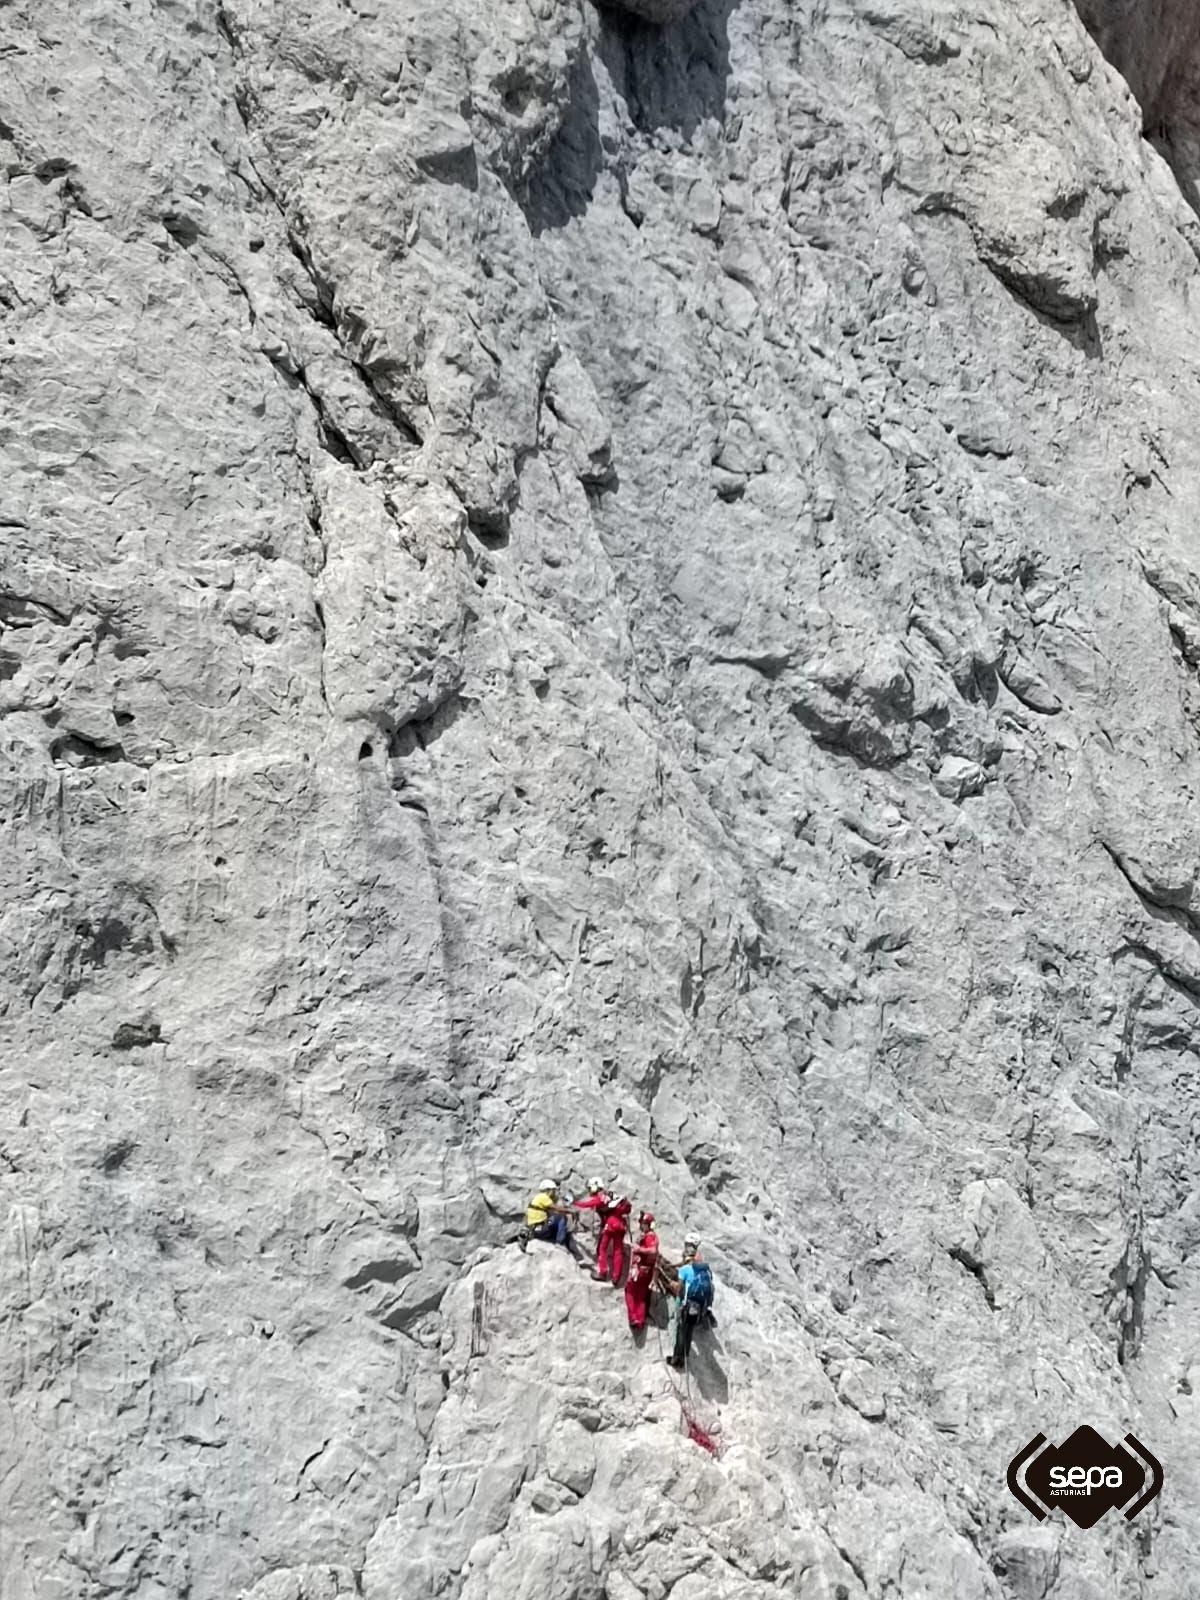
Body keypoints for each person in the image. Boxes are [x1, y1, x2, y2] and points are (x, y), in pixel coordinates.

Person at [666, 1236, 713, 1368]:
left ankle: (676, 1358)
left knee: (681, 1331)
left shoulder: (684, 1270)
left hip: (685, 1305)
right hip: (698, 1306)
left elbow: (679, 1288)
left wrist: (671, 1284)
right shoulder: (703, 1271)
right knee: (689, 1331)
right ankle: (685, 1358)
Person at [574, 1180, 632, 1284]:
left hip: (611, 1224)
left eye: (590, 1188)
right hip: (621, 1225)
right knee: (618, 1250)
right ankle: (616, 1277)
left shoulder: (600, 1197)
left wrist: (574, 1203)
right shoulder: (610, 1195)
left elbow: (586, 1204)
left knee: (602, 1248)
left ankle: (603, 1272)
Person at [624, 1211, 659, 1331]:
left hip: (641, 1269)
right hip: (646, 1270)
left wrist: (639, 1249)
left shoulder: (649, 1236)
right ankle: (640, 1321)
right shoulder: (647, 1236)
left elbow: (653, 1251)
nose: (641, 1225)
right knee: (641, 1296)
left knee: (630, 1290)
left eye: (643, 1223)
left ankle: (634, 1317)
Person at [523, 1179, 577, 1253]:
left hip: (536, 1229)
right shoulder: (543, 1197)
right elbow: (557, 1208)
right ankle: (560, 1243)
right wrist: (570, 1211)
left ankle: (563, 1243)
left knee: (556, 1222)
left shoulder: (539, 1198)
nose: (554, 1193)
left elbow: (553, 1211)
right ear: (548, 1190)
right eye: (553, 1190)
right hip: (540, 1228)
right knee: (560, 1218)